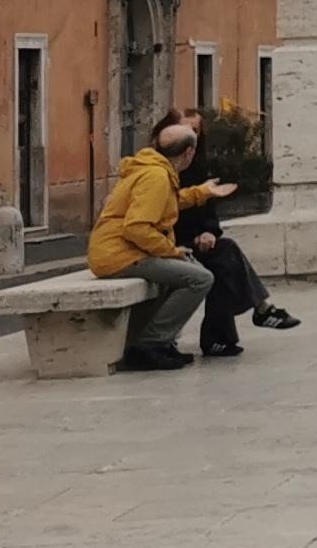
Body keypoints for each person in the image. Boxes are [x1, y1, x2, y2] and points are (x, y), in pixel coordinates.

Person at [91, 116, 233, 370]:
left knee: (186, 271)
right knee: (201, 278)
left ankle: (155, 341)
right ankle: (151, 344)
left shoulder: (152, 169)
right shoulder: (156, 175)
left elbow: (166, 203)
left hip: (119, 251)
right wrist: (171, 251)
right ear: (189, 152)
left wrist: (201, 192)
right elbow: (136, 227)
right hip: (121, 254)